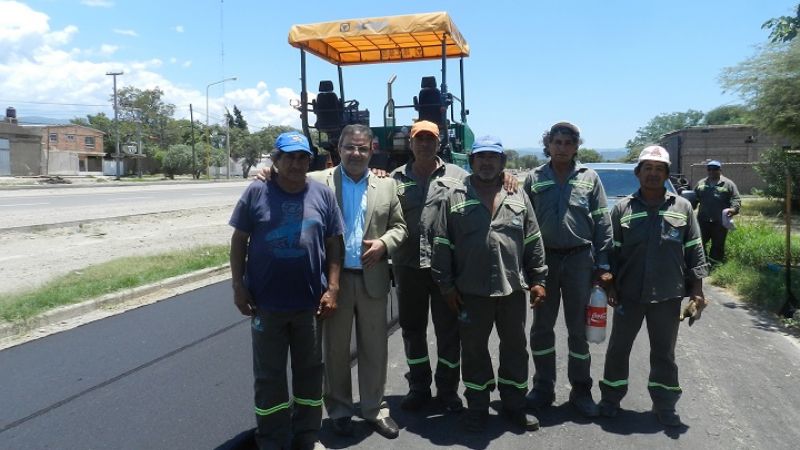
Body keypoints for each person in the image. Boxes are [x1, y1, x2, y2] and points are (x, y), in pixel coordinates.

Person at [229, 131, 344, 450]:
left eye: (302, 157)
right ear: (275, 160)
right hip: (265, 305)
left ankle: (307, 437)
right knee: (269, 379)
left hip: (309, 305)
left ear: (310, 160)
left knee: (309, 374)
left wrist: (333, 287)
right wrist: (238, 286)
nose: (296, 163)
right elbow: (239, 241)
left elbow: (335, 243)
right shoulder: (256, 192)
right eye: (289, 156)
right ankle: (272, 440)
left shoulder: (322, 195)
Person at [430, 135, 548, 432]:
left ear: (501, 163)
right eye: (480, 157)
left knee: (515, 348)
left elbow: (533, 239)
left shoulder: (517, 195)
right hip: (470, 292)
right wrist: (446, 286)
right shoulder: (454, 196)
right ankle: (478, 407)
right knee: (473, 351)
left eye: (492, 157)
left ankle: (514, 405)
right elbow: (442, 243)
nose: (486, 162)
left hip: (510, 290)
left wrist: (539, 279)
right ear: (471, 162)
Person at [598, 145, 709, 427]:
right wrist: (609, 285)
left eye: (659, 169)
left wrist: (697, 290)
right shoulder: (622, 208)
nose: (653, 174)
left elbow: (695, 250)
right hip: (629, 294)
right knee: (618, 349)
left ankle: (665, 404)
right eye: (647, 168)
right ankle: (610, 399)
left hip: (668, 294)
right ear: (638, 173)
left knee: (664, 353)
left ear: (666, 174)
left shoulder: (683, 208)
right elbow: (610, 252)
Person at [309, 124, 408, 440]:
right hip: (334, 282)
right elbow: (281, 177)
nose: (356, 153)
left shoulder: (387, 185)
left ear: (372, 150)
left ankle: (374, 410)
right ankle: (339, 411)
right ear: (338, 149)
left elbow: (400, 227)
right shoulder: (316, 182)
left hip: (372, 279)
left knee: (375, 350)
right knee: (336, 351)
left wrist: (384, 244)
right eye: (350, 147)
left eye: (362, 148)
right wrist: (265, 174)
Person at [522, 122, 613, 417]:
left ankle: (581, 390)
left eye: (567, 142)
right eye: (556, 142)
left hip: (579, 261)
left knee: (578, 330)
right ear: (547, 145)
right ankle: (542, 387)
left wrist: (603, 265)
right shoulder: (534, 178)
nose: (561, 147)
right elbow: (521, 220)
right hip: (544, 261)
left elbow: (602, 222)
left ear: (576, 146)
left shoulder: (590, 178)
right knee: (542, 328)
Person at [390, 120, 468, 412]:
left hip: (445, 268)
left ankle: (448, 390)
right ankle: (419, 387)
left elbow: (487, 190)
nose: (424, 144)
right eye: (419, 139)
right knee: (412, 329)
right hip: (408, 267)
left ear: (439, 143)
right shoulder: (393, 179)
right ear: (410, 143)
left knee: (449, 331)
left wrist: (508, 179)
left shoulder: (459, 177)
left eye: (430, 139)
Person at [694, 160, 741, 265]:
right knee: (699, 243)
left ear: (720, 170)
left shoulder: (728, 184)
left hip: (719, 222)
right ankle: (702, 264)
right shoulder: (701, 183)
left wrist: (734, 209)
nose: (711, 171)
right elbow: (694, 199)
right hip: (702, 220)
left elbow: (736, 199)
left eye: (715, 169)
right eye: (709, 169)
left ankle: (715, 266)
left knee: (718, 245)